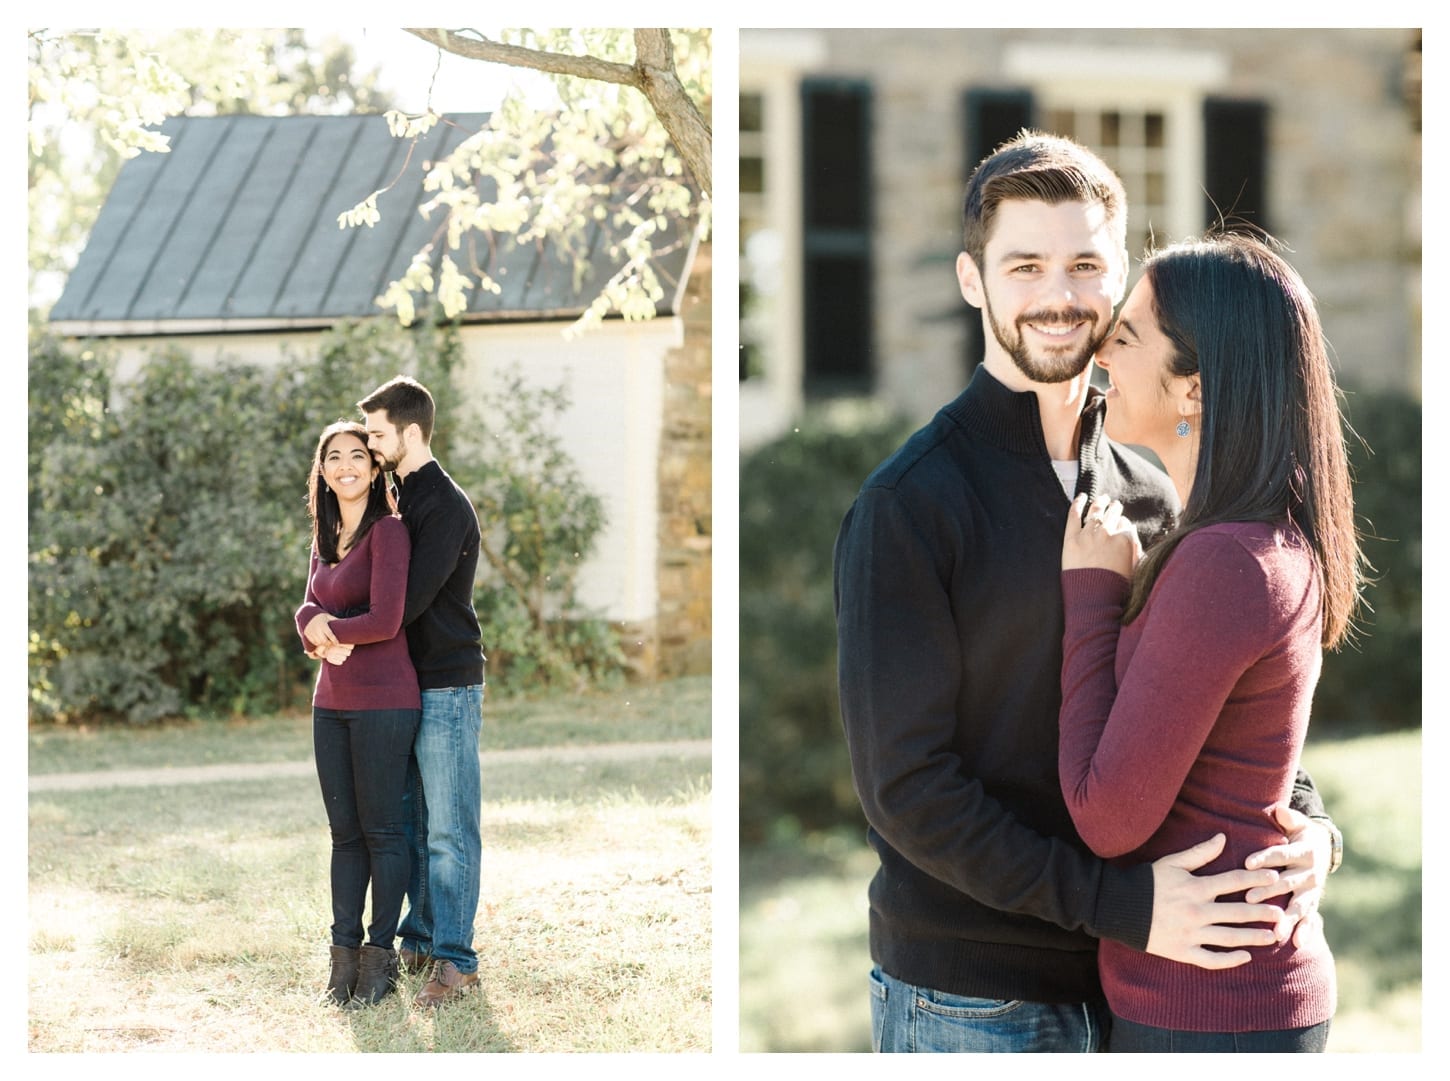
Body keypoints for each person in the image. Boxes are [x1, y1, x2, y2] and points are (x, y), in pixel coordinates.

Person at [833, 131, 1340, 1053]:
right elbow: (907, 790)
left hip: (1146, 985)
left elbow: (1208, 713)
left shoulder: (1155, 496)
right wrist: (1124, 906)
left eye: (1085, 266)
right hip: (974, 995)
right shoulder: (910, 506)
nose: (1058, 296)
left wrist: (1308, 825)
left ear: (1118, 285)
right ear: (970, 281)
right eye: (1023, 265)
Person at [1057, 233, 1363, 1052]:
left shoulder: (1224, 561)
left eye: (1125, 336)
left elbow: (1107, 816)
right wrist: (1318, 827)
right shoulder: (1255, 542)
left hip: (1211, 1009)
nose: (1099, 353)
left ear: (1193, 387)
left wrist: (1092, 595)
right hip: (1229, 996)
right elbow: (1241, 753)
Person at [358, 375, 486, 1008]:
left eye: (378, 435)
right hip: (406, 684)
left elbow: (405, 605)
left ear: (410, 432)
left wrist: (343, 629)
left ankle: (457, 961)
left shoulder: (444, 505)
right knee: (414, 823)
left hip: (448, 683)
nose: (370, 445)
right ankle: (423, 936)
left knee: (450, 829)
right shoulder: (399, 497)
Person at [295, 420, 420, 1007]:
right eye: (333, 457)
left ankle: (378, 961)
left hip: (384, 701)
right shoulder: (323, 536)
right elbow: (310, 604)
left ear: (374, 469)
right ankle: (341, 963)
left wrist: (332, 630)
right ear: (322, 471)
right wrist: (311, 626)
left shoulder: (389, 533)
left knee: (383, 833)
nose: (346, 465)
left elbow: (387, 620)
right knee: (344, 837)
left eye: (357, 456)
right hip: (331, 704)